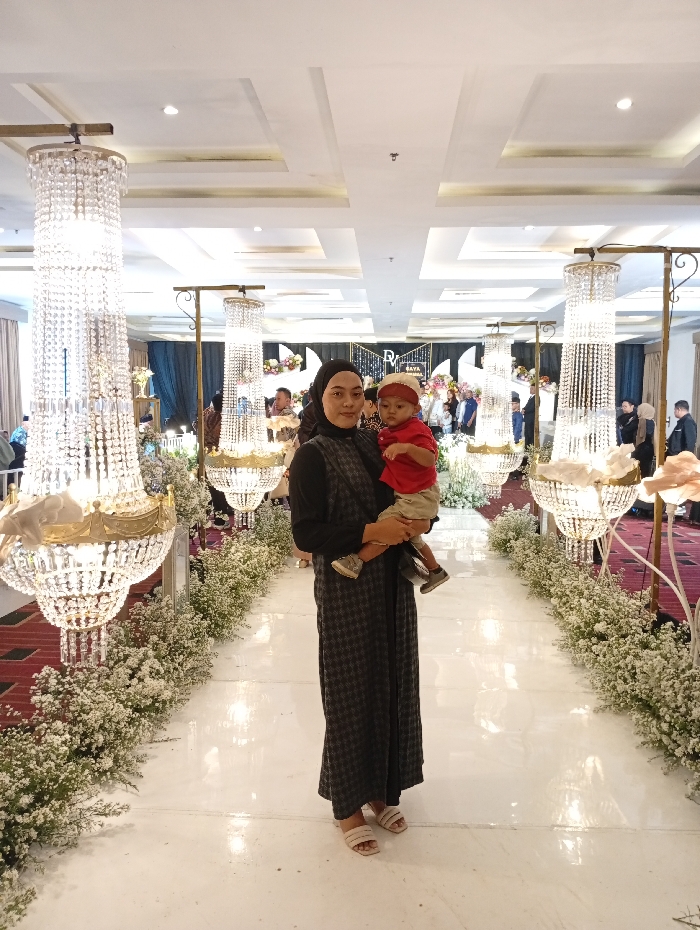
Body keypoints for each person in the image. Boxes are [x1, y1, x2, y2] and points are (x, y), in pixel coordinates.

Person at [289, 361, 428, 856]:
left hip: (392, 583)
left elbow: (409, 487)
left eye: (356, 393)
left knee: (392, 684)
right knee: (350, 691)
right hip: (345, 586)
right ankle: (346, 804)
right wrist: (372, 531)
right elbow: (306, 533)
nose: (349, 402)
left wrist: (419, 520)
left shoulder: (376, 442)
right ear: (319, 398)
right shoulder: (311, 455)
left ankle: (379, 789)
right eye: (337, 393)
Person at [331, 372, 449, 592]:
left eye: (399, 406)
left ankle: (357, 561)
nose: (391, 411)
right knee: (413, 537)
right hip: (408, 492)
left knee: (387, 525)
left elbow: (430, 459)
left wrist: (407, 448)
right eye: (385, 406)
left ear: (415, 409)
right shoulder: (387, 431)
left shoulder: (416, 430)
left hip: (418, 493)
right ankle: (435, 571)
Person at [632, 402, 655, 478]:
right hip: (646, 449)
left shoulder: (645, 422)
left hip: (643, 450)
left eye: (639, 410)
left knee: (641, 472)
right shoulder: (650, 422)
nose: (638, 412)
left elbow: (644, 435)